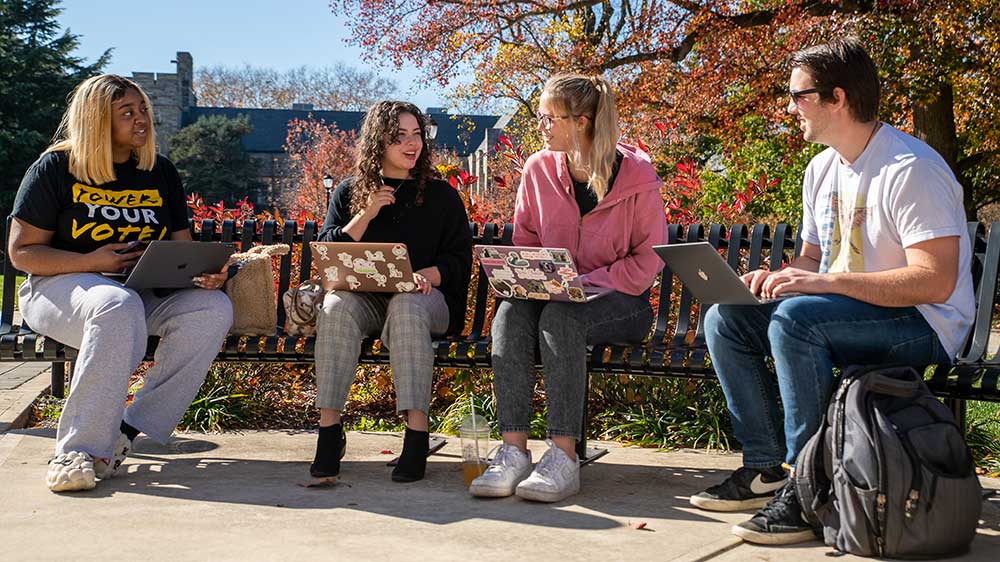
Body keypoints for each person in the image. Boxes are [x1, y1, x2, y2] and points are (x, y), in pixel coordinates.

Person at [690, 38, 974, 545]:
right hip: (842, 309)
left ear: (836, 98)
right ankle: (764, 471)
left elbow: (936, 280)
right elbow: (813, 261)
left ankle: (809, 490)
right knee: (726, 319)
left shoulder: (910, 169)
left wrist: (817, 285)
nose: (789, 105)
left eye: (798, 95)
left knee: (796, 322)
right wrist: (774, 280)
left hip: (922, 322)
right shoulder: (820, 169)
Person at [9, 74, 233, 492]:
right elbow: (22, 253)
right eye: (127, 112)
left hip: (139, 291)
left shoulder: (159, 172)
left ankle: (126, 433)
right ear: (97, 120)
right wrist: (92, 259)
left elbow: (181, 250)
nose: (141, 119)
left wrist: (206, 274)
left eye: (143, 109)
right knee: (115, 303)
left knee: (211, 309)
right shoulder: (57, 167)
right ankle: (78, 451)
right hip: (60, 290)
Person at [470, 73, 668, 502]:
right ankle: (514, 450)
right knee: (510, 313)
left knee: (564, 315)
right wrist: (533, 277)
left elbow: (648, 261)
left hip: (622, 304)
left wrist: (583, 284)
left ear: (582, 122)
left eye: (548, 118)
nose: (540, 126)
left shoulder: (637, 176)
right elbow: (525, 241)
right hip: (552, 295)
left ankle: (563, 458)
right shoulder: (539, 169)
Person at [311, 101, 472, 483]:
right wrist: (366, 213)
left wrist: (427, 275)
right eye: (399, 137)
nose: (411, 144)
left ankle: (417, 434)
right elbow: (328, 252)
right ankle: (329, 433)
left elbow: (460, 260)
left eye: (417, 134)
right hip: (366, 299)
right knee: (334, 307)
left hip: (426, 302)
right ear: (377, 143)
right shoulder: (351, 192)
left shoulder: (441, 196)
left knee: (406, 304)